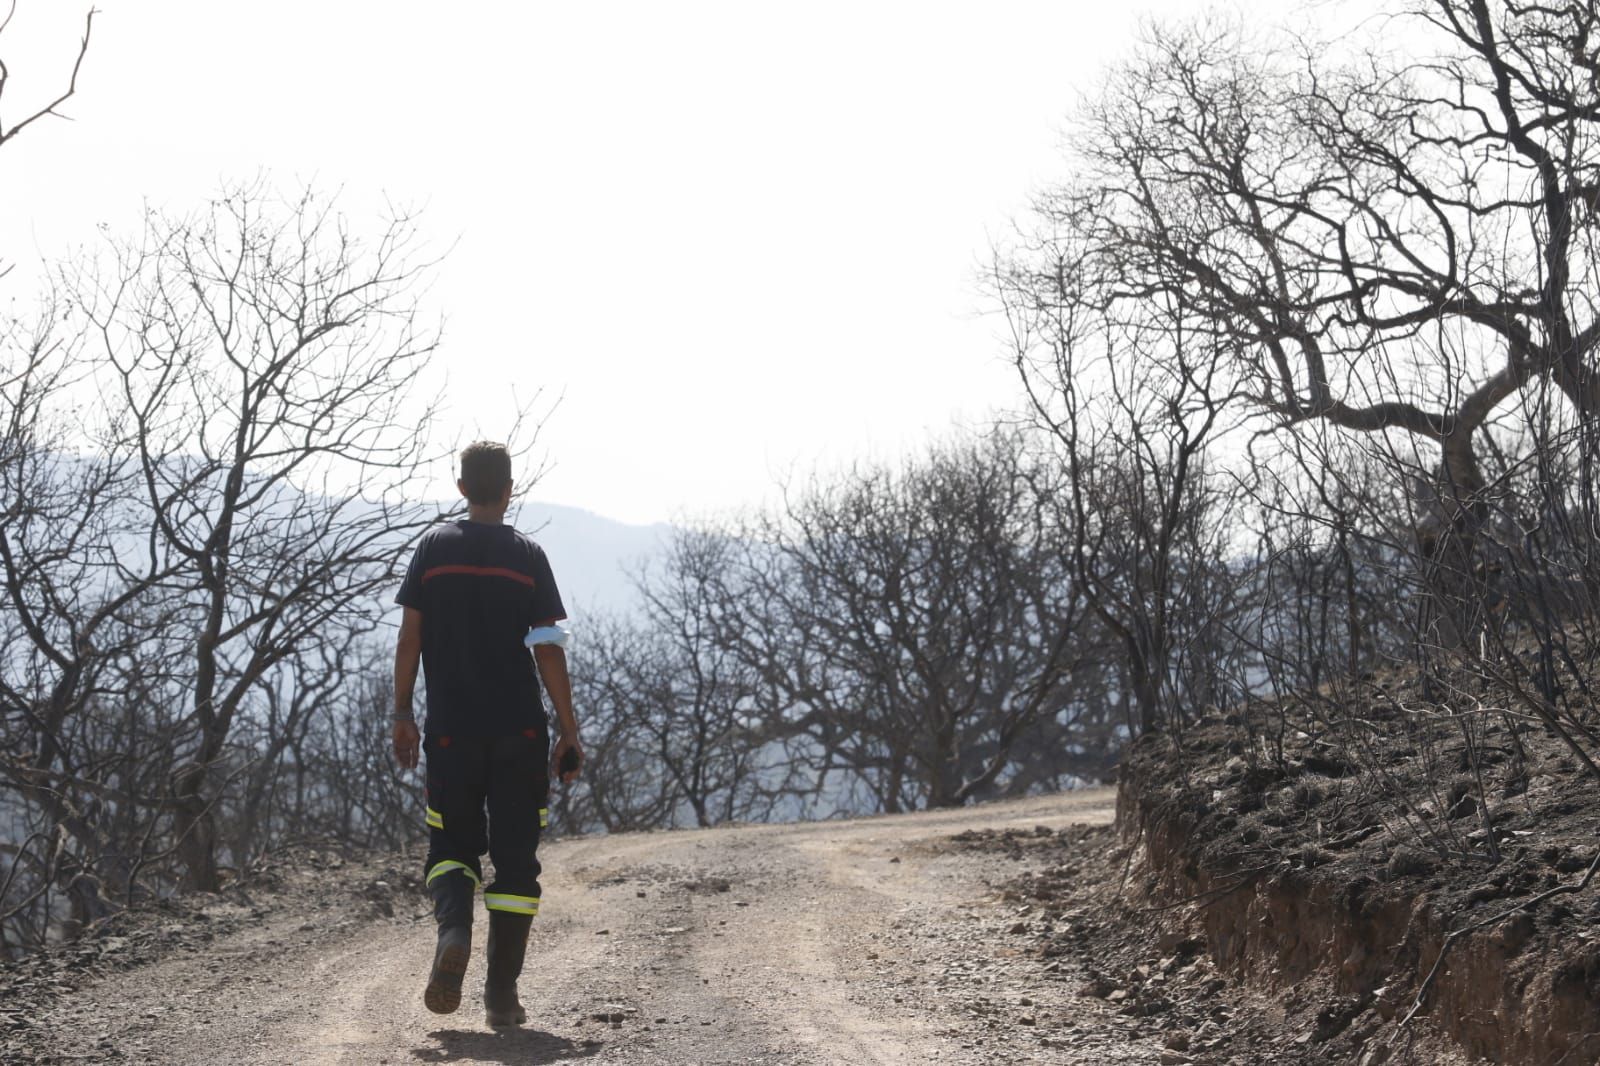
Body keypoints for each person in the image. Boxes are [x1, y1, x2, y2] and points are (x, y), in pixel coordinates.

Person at [391, 441, 584, 1027]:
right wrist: (568, 731)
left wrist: (402, 714)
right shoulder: (528, 555)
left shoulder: (434, 548)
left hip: (451, 731)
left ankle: (454, 933)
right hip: (519, 731)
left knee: (451, 848)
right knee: (516, 862)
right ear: (509, 489)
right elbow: (547, 647)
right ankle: (501, 995)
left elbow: (409, 639)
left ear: (460, 487)